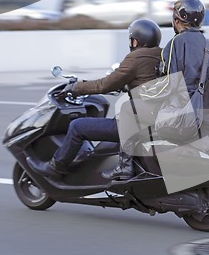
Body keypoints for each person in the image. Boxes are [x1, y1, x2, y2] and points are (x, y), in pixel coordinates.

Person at [27, 19, 162, 181]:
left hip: (134, 124)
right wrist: (126, 87)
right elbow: (146, 82)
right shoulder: (161, 56)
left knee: (77, 127)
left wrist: (77, 87)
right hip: (154, 120)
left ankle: (56, 167)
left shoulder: (135, 58)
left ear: (136, 40)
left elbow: (104, 85)